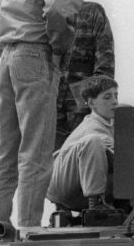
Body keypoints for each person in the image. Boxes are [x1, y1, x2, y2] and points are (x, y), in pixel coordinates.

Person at [0, 0, 85, 230]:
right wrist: (55, 52)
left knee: (6, 149)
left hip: (9, 57)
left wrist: (10, 52)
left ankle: (0, 225)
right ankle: (29, 227)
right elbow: (57, 13)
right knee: (37, 150)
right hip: (37, 56)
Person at [0, 0, 114, 152]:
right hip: (44, 91)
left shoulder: (92, 12)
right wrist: (26, 64)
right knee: (42, 158)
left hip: (81, 103)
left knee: (85, 157)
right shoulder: (33, 14)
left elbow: (105, 62)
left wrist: (94, 101)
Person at [47, 75, 121, 220]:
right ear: (92, 103)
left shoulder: (110, 124)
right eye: (107, 97)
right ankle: (96, 205)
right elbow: (122, 157)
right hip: (60, 186)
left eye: (115, 95)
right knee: (93, 141)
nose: (114, 101)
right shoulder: (91, 127)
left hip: (79, 186)